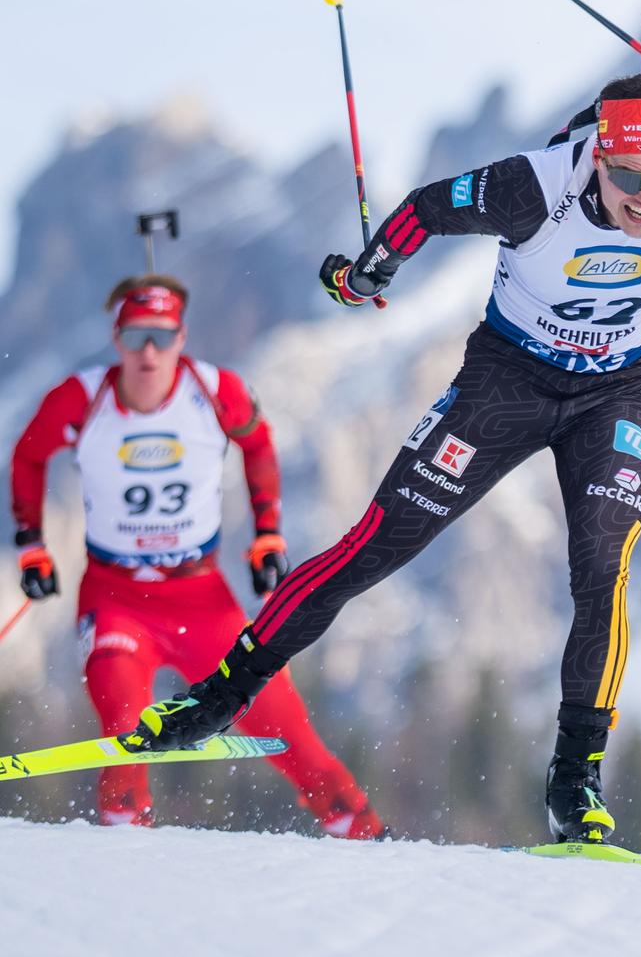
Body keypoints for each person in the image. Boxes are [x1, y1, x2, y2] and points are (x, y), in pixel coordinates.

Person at [129, 74, 641, 844]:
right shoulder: (529, 188)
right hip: (505, 384)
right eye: (627, 179)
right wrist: (362, 277)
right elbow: (422, 209)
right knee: (374, 548)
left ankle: (574, 781)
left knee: (603, 571)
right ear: (597, 160)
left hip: (611, 396)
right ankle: (217, 697)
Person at [10, 275, 384, 838]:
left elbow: (258, 445)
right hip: (116, 599)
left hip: (201, 598)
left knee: (292, 738)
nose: (149, 352)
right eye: (136, 336)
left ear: (182, 337)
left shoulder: (215, 391)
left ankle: (368, 837)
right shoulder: (81, 398)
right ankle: (124, 855)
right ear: (117, 340)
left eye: (162, 336)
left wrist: (267, 534)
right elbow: (28, 455)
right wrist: (31, 543)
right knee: (124, 734)